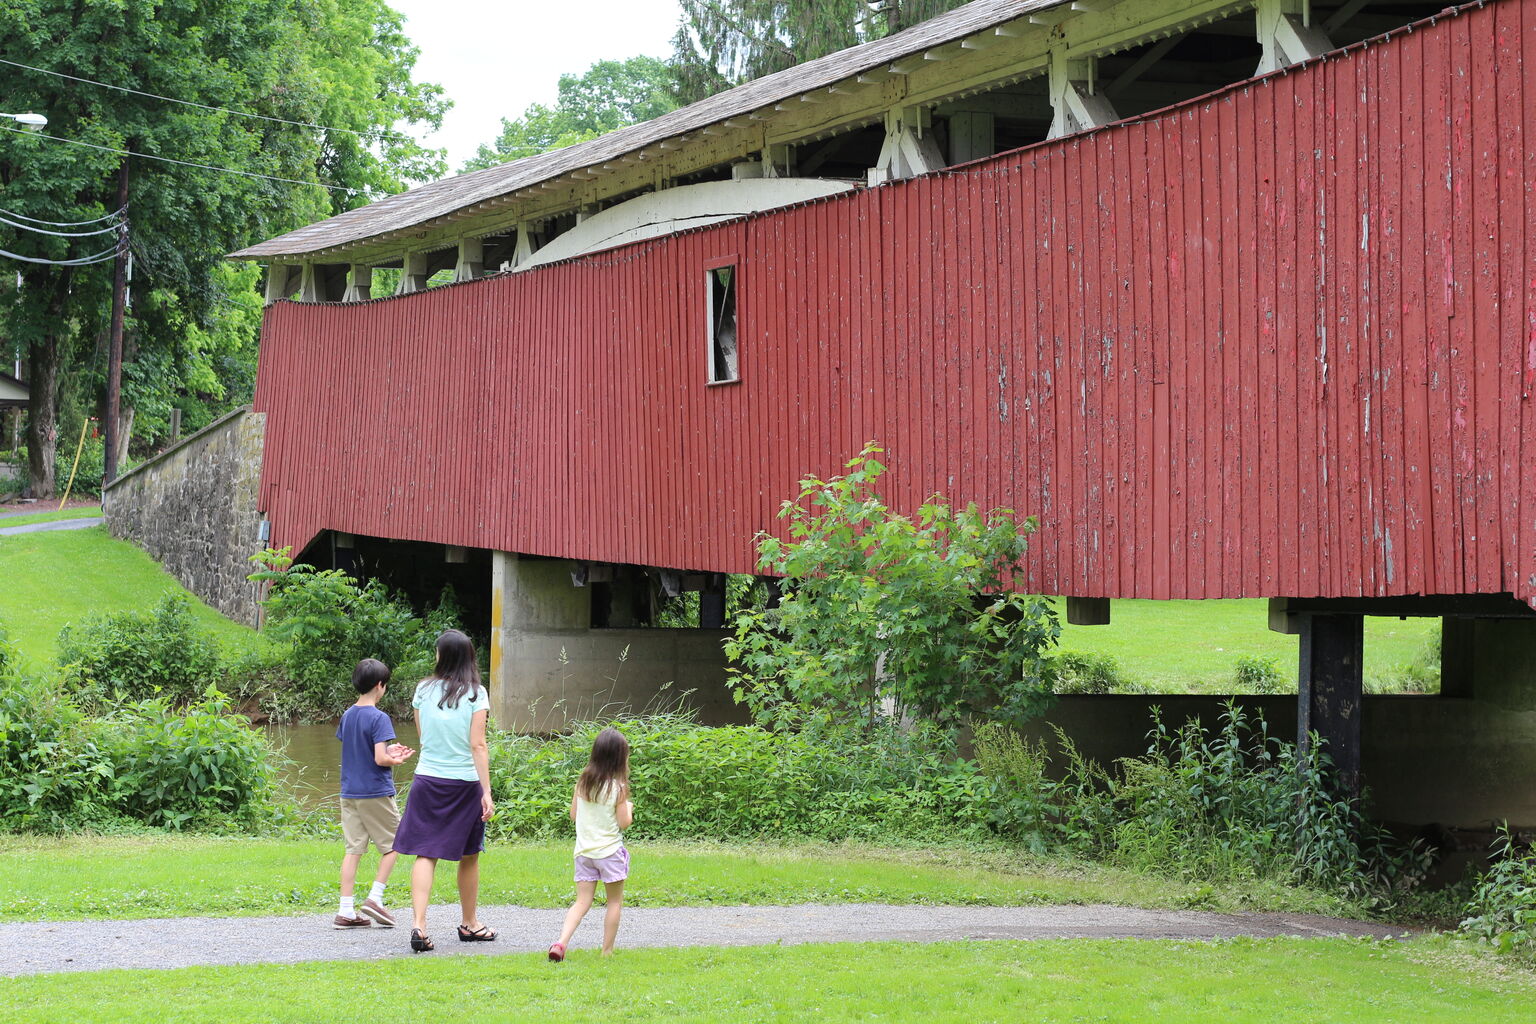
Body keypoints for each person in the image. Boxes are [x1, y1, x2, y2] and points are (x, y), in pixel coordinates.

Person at [391, 630, 496, 952]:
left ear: (442, 656)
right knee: (469, 855)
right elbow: (478, 745)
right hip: (464, 784)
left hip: (427, 780)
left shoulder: (423, 689)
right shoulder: (477, 694)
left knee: (426, 853)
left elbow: (424, 737)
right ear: (468, 657)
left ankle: (419, 926)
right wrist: (487, 791)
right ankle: (470, 923)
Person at [334, 658, 414, 929]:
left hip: (349, 793)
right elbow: (380, 759)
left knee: (353, 850)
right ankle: (375, 898)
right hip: (375, 793)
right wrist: (395, 758)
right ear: (380, 686)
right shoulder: (379, 718)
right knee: (397, 844)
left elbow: (359, 750)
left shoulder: (347, 715)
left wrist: (386, 753)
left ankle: (345, 910)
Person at [548, 727, 633, 961]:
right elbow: (624, 822)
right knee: (614, 902)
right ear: (619, 757)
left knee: (582, 902)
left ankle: (561, 942)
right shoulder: (618, 788)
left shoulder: (582, 782)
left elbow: (574, 815)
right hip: (609, 853)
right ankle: (606, 952)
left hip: (584, 852)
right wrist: (629, 807)